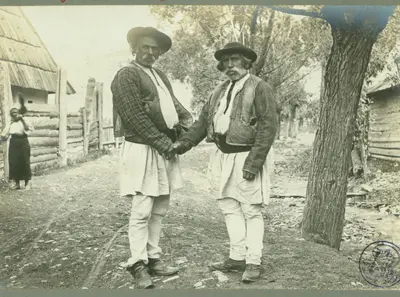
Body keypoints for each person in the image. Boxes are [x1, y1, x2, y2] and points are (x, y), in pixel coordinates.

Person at [174, 42, 278, 283]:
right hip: (221, 155)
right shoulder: (219, 91)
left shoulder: (259, 88)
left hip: (246, 155)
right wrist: (184, 144)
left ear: (246, 62)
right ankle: (236, 256)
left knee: (251, 210)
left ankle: (253, 261)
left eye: (235, 60)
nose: (230, 66)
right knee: (229, 207)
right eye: (226, 62)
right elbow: (202, 123)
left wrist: (253, 163)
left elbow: (267, 128)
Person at [110, 26, 193, 289]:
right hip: (143, 148)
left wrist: (188, 125)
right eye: (144, 47)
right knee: (142, 208)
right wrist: (162, 143)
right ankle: (137, 263)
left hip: (164, 147)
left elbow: (176, 107)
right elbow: (134, 116)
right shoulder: (127, 75)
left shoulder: (159, 75)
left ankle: (153, 257)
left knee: (160, 207)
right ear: (134, 48)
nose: (150, 52)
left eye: (154, 49)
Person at [0, 95, 34, 190]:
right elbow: (5, 134)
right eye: (12, 113)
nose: (14, 114)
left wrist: (22, 119)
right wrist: (2, 139)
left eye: (15, 112)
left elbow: (29, 128)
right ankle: (17, 183)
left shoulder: (24, 120)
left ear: (18, 112)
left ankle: (27, 183)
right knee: (14, 162)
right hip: (13, 142)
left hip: (23, 141)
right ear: (11, 114)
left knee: (25, 162)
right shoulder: (10, 122)